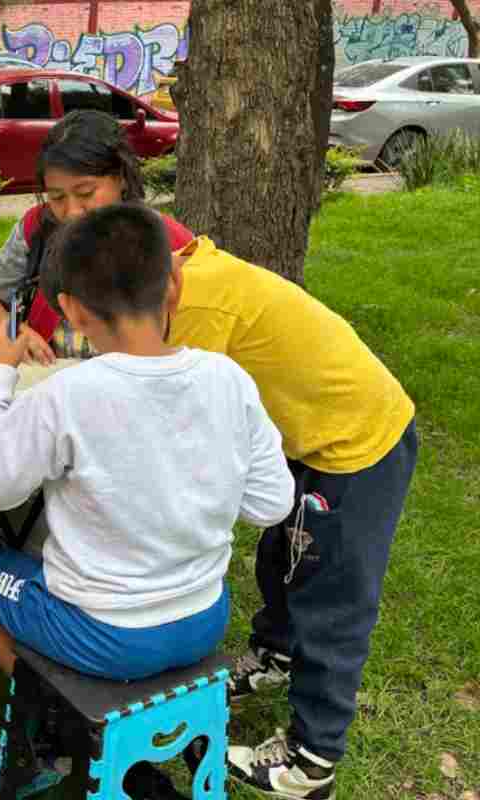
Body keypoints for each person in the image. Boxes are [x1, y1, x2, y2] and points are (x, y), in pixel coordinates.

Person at [0, 203, 294, 798]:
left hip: (105, 635)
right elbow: (271, 505)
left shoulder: (67, 396)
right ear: (174, 284)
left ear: (72, 309)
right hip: (204, 618)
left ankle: (62, 726)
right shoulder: (228, 379)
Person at [157, 235, 418, 799]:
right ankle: (273, 654)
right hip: (303, 441)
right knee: (280, 557)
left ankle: (311, 760)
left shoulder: (193, 309)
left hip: (355, 447)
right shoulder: (178, 275)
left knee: (332, 604)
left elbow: (179, 424)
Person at [0, 110, 193, 364]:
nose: (72, 212)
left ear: (121, 179)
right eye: (57, 197)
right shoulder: (36, 228)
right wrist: (18, 330)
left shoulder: (171, 242)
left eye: (85, 192)